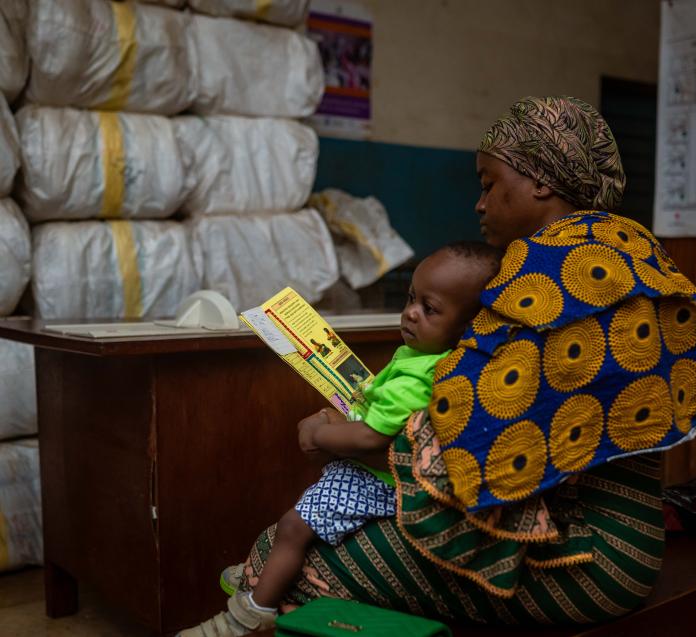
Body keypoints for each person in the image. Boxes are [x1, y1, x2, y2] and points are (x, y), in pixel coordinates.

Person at [191, 97, 696, 631]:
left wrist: (342, 434)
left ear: (540, 180)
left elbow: (466, 433)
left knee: (293, 558)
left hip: (580, 559)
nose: (479, 203)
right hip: (633, 536)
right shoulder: (626, 248)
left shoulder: (548, 271)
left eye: (488, 183)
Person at [177, 241, 503, 636]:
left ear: (465, 327)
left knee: (294, 526)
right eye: (412, 298)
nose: (411, 312)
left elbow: (369, 438)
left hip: (377, 483)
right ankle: (261, 575)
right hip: (381, 474)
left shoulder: (420, 376)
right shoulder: (426, 358)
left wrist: (321, 434)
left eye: (429, 309)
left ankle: (252, 609)